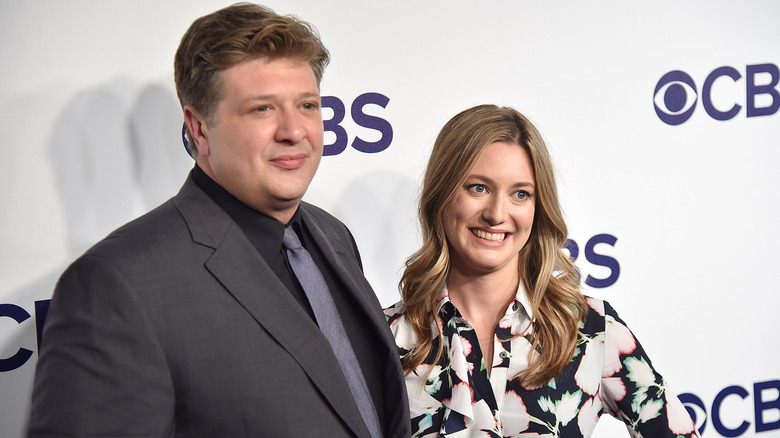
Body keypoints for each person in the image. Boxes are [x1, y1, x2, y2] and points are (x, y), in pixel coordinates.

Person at [28, 4, 409, 437]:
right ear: (199, 129)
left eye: (307, 105)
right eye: (262, 109)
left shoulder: (331, 235)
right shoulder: (118, 285)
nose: (294, 130)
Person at [384, 104, 699, 437]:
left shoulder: (588, 328)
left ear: (538, 207)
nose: (496, 213)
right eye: (478, 188)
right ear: (440, 195)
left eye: (520, 194)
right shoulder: (388, 337)